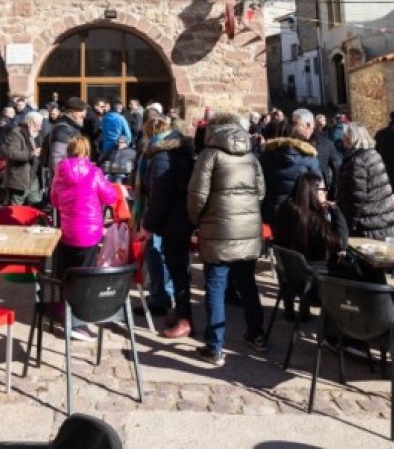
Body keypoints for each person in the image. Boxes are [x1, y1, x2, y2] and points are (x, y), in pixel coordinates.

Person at [187, 113, 267, 365]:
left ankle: (215, 347)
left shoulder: (209, 155)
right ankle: (256, 334)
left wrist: (195, 219)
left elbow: (197, 195)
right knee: (247, 283)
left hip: (218, 228)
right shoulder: (250, 156)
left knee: (215, 285)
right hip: (247, 228)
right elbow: (261, 192)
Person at [139, 119, 197, 339]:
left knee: (178, 271)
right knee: (179, 269)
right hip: (181, 219)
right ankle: (180, 313)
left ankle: (184, 319)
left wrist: (148, 225)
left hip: (173, 222)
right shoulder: (185, 154)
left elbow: (159, 196)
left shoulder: (164, 157)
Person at [273, 171, 348, 319]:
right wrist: (336, 211)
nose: (326, 193)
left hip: (290, 276)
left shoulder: (285, 209)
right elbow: (341, 243)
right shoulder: (314, 219)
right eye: (323, 190)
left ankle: (292, 309)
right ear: (313, 191)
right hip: (315, 283)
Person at [49, 135, 117, 274]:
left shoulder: (60, 172)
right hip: (90, 232)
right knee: (86, 273)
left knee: (67, 271)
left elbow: (54, 201)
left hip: (67, 231)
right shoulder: (95, 173)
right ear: (87, 152)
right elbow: (111, 197)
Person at [335, 122, 394, 240]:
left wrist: (350, 225)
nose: (342, 138)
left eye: (344, 135)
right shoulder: (372, 154)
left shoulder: (357, 160)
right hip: (383, 217)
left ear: (351, 138)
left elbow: (357, 197)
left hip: (370, 223)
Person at [259, 125, 321, 227]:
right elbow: (317, 186)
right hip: (300, 210)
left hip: (272, 209)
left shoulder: (265, 157)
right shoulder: (310, 160)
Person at [42, 97, 88, 199]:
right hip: (66, 184)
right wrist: (70, 179)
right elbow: (57, 160)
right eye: (80, 111)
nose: (84, 115)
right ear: (71, 112)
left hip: (73, 181)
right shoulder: (63, 130)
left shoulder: (72, 128)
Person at [291, 109, 343, 193]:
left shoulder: (326, 144)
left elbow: (337, 167)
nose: (293, 128)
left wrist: (333, 190)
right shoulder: (286, 145)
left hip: (317, 192)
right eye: (292, 124)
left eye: (295, 124)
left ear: (308, 125)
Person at [0, 111, 43, 205]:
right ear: (29, 123)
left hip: (34, 176)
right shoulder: (16, 133)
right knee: (16, 205)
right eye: (37, 125)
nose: (39, 128)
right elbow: (11, 153)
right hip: (20, 176)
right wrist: (31, 154)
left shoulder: (37, 135)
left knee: (35, 203)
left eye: (40, 125)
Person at [98, 99, 133, 165]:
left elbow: (102, 130)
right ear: (118, 108)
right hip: (117, 148)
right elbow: (128, 135)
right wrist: (126, 144)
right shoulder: (121, 118)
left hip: (105, 147)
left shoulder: (104, 118)